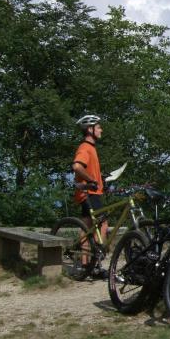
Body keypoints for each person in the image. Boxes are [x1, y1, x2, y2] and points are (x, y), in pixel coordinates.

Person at [71, 114, 108, 278]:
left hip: (92, 192)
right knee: (102, 224)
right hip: (89, 193)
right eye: (98, 127)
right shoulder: (85, 147)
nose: (101, 130)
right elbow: (77, 167)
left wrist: (100, 178)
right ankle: (93, 264)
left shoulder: (91, 148)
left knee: (86, 228)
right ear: (90, 129)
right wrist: (92, 180)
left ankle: (86, 265)